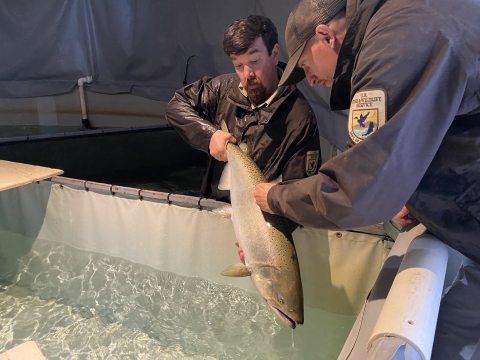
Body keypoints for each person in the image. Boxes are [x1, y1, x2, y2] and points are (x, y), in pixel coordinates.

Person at [252, 0, 480, 266]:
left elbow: (354, 190)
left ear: (326, 37)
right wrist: (413, 197)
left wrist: (274, 197)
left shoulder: (391, 45)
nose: (310, 80)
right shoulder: (405, 16)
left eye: (305, 65)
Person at [165, 15, 320, 203]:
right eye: (238, 65)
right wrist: (210, 135)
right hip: (214, 210)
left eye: (255, 61)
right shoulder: (222, 89)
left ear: (274, 53)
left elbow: (301, 194)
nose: (248, 74)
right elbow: (177, 104)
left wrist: (275, 200)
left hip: (261, 221)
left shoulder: (300, 118)